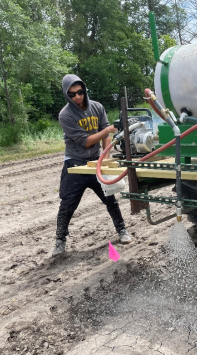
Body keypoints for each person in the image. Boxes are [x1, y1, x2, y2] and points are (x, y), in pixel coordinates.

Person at [53, 74, 132, 256]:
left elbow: (106, 135)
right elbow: (86, 141)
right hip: (75, 164)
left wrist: (104, 156)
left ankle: (122, 231)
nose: (77, 97)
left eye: (80, 92)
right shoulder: (65, 115)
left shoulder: (97, 107)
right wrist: (106, 131)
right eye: (72, 94)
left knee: (110, 198)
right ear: (67, 95)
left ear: (84, 90)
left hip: (96, 162)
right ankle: (60, 241)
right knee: (67, 205)